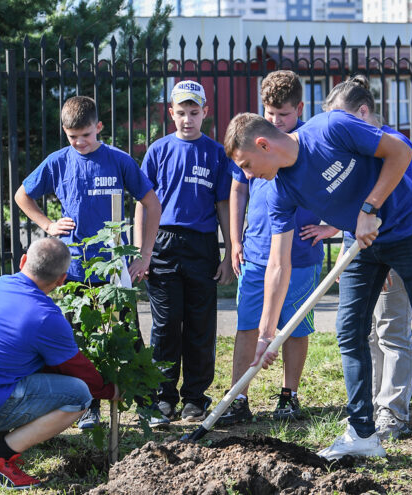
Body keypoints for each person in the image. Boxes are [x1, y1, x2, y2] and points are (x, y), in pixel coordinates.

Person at [223, 110, 412, 476]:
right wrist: (266, 334)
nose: (246, 175)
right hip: (360, 244)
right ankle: (362, 432)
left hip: (406, 230)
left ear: (263, 145)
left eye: (246, 164)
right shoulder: (279, 189)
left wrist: (369, 208)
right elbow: (278, 265)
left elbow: (400, 153)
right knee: (349, 332)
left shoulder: (331, 129)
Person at [14, 95, 162, 429]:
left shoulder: (119, 161)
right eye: (72, 137)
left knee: (127, 335)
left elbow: (151, 203)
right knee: (79, 339)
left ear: (99, 127)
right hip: (74, 270)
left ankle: (146, 405)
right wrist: (48, 225)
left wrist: (144, 255)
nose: (80, 142)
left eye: (86, 135)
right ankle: (88, 406)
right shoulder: (58, 162)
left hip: (113, 269)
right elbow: (22, 195)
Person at [0, 237, 120, 490]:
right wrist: (110, 390)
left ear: (23, 261)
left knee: (5, 372)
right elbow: (80, 373)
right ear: (62, 279)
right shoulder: (45, 316)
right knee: (79, 395)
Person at [319, 75, 412, 441]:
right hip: (365, 250)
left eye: (343, 122)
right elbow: (353, 207)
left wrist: (385, 257)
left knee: (392, 330)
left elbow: (393, 206)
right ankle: (374, 408)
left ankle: (393, 412)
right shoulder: (353, 153)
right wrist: (350, 252)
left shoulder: (397, 145)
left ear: (363, 113)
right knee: (368, 333)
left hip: (400, 248)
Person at [217, 70, 323, 426]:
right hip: (257, 251)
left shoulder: (308, 145)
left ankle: (288, 395)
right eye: (270, 114)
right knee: (248, 324)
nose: (276, 121)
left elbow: (338, 188)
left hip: (302, 254)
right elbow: (238, 189)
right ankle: (238, 396)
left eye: (284, 115)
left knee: (294, 327)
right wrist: (235, 240)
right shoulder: (253, 142)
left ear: (300, 109)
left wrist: (331, 226)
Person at [135, 80, 234, 423]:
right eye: (181, 112)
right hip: (163, 244)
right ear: (171, 114)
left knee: (200, 324)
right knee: (165, 324)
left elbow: (224, 203)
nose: (187, 119)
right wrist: (142, 252)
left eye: (194, 112)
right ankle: (164, 397)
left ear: (205, 112)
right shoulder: (158, 151)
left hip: (202, 245)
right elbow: (143, 204)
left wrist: (228, 251)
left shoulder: (216, 153)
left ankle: (195, 397)